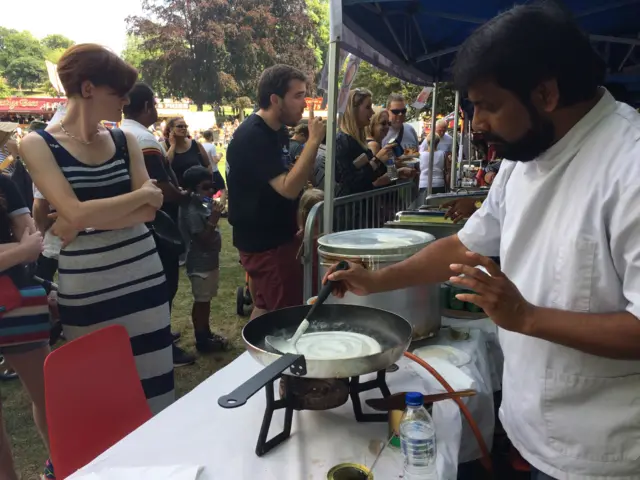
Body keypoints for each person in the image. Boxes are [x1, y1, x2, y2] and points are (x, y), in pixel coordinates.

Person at [324, 5, 640, 480]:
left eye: (488, 105)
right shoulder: (526, 153)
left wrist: (526, 317)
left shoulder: (628, 164)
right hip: (528, 428)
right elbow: (468, 245)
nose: (476, 123)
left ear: (546, 93)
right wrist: (376, 280)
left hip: (605, 453)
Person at [19, 44, 175, 415]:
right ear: (88, 89)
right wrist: (138, 199)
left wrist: (84, 217)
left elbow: (150, 212)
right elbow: (74, 213)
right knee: (105, 402)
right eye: (117, 91)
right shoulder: (37, 144)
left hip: (143, 277)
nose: (125, 99)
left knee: (156, 392)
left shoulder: (126, 140)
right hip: (89, 287)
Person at [227, 64, 326, 319]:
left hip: (277, 236)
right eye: (297, 96)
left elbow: (284, 180)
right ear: (275, 99)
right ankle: (278, 359)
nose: (304, 104)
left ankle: (253, 357)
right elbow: (288, 188)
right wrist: (314, 141)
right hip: (265, 243)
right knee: (285, 318)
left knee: (264, 307)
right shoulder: (254, 135)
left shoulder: (277, 132)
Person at [121, 82, 195, 367]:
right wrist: (183, 195)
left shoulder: (122, 133)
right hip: (158, 224)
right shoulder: (144, 139)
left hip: (138, 223)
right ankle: (161, 342)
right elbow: (160, 187)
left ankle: (158, 333)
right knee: (165, 285)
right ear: (147, 106)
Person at [0, 173, 51, 480]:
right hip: (16, 295)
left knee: (50, 397)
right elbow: (25, 246)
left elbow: (33, 241)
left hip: (18, 306)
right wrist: (16, 251)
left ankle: (61, 464)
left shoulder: (3, 183)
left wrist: (23, 249)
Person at [178, 166, 228, 352]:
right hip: (199, 262)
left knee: (206, 300)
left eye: (212, 186)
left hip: (208, 261)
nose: (211, 191)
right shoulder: (191, 210)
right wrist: (214, 219)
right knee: (201, 302)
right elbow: (203, 239)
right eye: (206, 187)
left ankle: (206, 333)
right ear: (192, 189)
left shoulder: (201, 203)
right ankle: (202, 340)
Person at [335, 89, 413, 197]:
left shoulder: (363, 143)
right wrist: (378, 160)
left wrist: (398, 170)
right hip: (356, 209)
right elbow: (353, 181)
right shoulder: (345, 141)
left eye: (388, 124)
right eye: (383, 123)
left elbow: (382, 175)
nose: (387, 127)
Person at [164, 117, 211, 188]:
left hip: (197, 190)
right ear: (170, 129)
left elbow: (208, 164)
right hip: (177, 190)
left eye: (185, 126)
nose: (184, 128)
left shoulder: (196, 144)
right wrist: (173, 146)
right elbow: (166, 165)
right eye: (180, 126)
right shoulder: (164, 145)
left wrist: (207, 185)